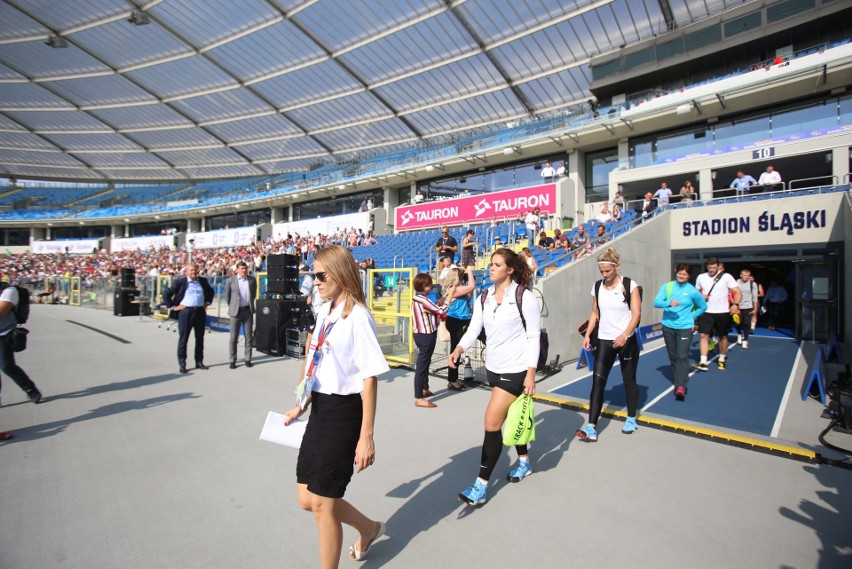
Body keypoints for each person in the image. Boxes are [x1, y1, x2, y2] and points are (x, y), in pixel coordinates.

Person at [282, 245, 390, 567]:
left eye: (320, 275)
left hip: (344, 415)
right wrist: (300, 404)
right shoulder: (325, 312)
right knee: (307, 499)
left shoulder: (358, 317)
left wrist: (366, 436)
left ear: (340, 273)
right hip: (319, 411)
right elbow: (314, 363)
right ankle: (369, 528)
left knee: (324, 506)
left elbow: (369, 378)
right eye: (313, 275)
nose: (315, 281)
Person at [449, 248, 540, 506]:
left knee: (491, 421)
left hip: (517, 368)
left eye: (496, 265)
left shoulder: (525, 297)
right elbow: (475, 328)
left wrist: (531, 373)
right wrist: (458, 348)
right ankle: (524, 462)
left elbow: (533, 335)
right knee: (512, 417)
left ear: (509, 269)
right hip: (494, 367)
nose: (490, 268)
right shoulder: (485, 296)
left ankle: (481, 484)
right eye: (491, 264)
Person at [576, 248, 642, 442]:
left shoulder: (629, 285)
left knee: (629, 380)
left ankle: (631, 417)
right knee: (597, 383)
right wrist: (588, 335)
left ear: (617, 267)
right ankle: (591, 427)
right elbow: (595, 313)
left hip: (626, 340)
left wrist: (625, 334)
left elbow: (636, 314)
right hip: (604, 340)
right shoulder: (597, 287)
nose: (605, 275)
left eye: (608, 271)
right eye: (602, 271)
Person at [654, 264, 707, 401]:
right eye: (680, 273)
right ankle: (679, 379)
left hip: (685, 327)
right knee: (673, 356)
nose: (681, 276)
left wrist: (692, 317)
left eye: (685, 274)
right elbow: (657, 302)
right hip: (667, 326)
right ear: (675, 272)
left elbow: (703, 306)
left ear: (689, 276)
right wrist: (669, 303)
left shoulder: (692, 291)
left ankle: (681, 386)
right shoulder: (668, 286)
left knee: (682, 356)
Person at [0, 283, 43, 421]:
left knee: (7, 366)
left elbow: (1, 312)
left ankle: (30, 389)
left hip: (4, 334)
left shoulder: (9, 291)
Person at [163, 264, 215, 374]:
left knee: (200, 338)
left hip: (200, 312)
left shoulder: (202, 281)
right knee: (184, 338)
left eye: (195, 270)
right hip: (186, 312)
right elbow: (167, 293)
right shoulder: (180, 282)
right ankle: (182, 364)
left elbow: (211, 292)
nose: (193, 272)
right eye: (191, 270)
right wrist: (173, 307)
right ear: (186, 272)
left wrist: (207, 303)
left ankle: (199, 361)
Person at [693, 257, 740, 371]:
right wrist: (701, 297)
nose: (712, 270)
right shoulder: (701, 277)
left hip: (722, 312)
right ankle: (703, 361)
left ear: (718, 267)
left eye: (714, 268)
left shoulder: (726, 276)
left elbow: (737, 291)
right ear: (706, 267)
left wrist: (736, 305)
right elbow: (695, 293)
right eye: (710, 268)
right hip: (706, 311)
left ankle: (722, 359)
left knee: (723, 336)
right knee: (704, 335)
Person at [411, 273, 448, 407]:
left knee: (425, 362)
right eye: (428, 284)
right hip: (426, 334)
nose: (431, 285)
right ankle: (419, 397)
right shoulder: (423, 300)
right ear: (423, 285)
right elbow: (440, 311)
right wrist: (447, 302)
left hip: (422, 334)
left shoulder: (418, 298)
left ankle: (424, 388)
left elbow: (432, 309)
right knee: (422, 365)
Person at [442, 267, 476, 390]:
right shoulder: (454, 289)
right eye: (462, 275)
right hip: (456, 320)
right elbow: (471, 287)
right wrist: (470, 272)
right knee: (456, 349)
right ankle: (451, 380)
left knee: (458, 349)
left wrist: (468, 277)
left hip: (463, 319)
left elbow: (469, 294)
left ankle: (454, 378)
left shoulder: (460, 288)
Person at [224, 261, 257, 369]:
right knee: (234, 337)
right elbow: (227, 296)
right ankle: (232, 360)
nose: (244, 270)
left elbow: (253, 294)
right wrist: (233, 306)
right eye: (242, 268)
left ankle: (248, 359)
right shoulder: (231, 281)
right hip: (235, 312)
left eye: (245, 268)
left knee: (248, 337)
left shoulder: (252, 280)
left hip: (248, 311)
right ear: (237, 269)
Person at [735, 269, 759, 349]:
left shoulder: (753, 284)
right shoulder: (735, 283)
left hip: (748, 306)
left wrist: (755, 308)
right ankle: (739, 334)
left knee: (747, 323)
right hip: (738, 306)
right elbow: (731, 293)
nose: (746, 277)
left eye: (748, 276)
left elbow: (755, 297)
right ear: (741, 275)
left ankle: (745, 340)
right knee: (737, 322)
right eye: (744, 275)